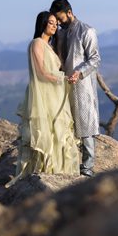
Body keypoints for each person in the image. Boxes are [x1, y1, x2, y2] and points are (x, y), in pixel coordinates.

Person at [16, 11, 79, 176]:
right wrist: (62, 79)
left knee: (58, 132)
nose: (55, 26)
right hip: (43, 97)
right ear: (42, 23)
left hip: (54, 95)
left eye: (56, 23)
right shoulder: (37, 43)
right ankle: (42, 171)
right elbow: (40, 72)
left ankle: (58, 170)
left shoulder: (49, 46)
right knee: (45, 133)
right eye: (51, 22)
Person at [49, 0, 101, 177]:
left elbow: (95, 59)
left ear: (69, 12)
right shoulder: (60, 33)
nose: (59, 22)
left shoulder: (86, 31)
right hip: (61, 84)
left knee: (85, 124)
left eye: (60, 18)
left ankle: (87, 167)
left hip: (82, 85)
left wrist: (79, 73)